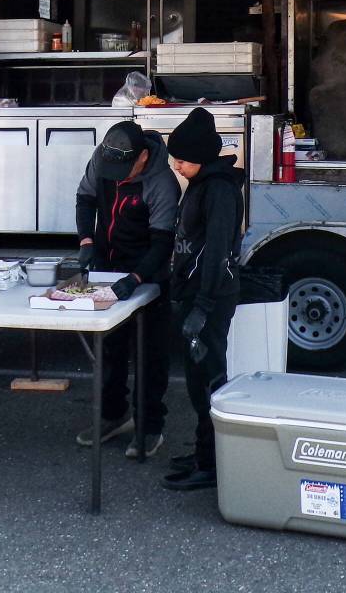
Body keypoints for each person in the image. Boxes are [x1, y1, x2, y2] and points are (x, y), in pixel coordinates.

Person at [74, 121, 181, 459]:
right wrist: (87, 241)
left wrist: (135, 279)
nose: (116, 175)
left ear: (143, 156)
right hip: (108, 265)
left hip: (148, 273)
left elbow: (162, 243)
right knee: (109, 346)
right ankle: (112, 415)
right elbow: (85, 198)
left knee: (150, 353)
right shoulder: (102, 158)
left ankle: (149, 426)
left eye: (124, 169)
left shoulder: (161, 183)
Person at [162, 107, 244, 491]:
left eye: (181, 159)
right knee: (196, 380)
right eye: (174, 158)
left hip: (209, 298)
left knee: (209, 379)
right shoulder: (202, 182)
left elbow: (216, 253)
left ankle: (211, 465)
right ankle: (202, 453)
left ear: (201, 156)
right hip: (196, 295)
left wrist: (203, 306)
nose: (176, 165)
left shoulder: (219, 189)